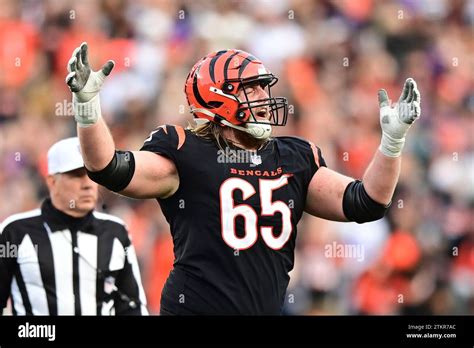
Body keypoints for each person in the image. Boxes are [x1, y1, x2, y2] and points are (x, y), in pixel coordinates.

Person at [65, 43, 421, 315]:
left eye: (263, 87)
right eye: (251, 89)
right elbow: (108, 168)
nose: (263, 97)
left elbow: (367, 202)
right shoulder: (187, 151)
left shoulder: (293, 157)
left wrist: (391, 143)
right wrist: (86, 107)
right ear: (217, 97)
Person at [0, 137, 148, 315]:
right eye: (76, 175)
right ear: (52, 182)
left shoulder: (116, 232)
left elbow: (132, 306)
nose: (87, 184)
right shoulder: (16, 232)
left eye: (93, 174)